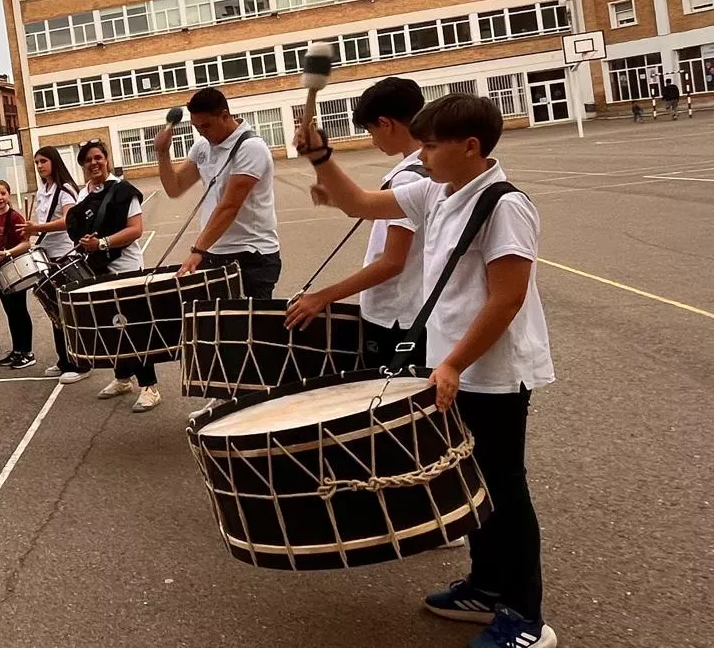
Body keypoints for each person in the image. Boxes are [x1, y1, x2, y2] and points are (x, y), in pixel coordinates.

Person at [298, 93, 555, 648]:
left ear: (470, 147)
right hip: (451, 367)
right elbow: (360, 203)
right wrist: (321, 157)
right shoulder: (437, 191)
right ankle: (485, 588)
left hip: (492, 372)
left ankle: (526, 618)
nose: (424, 153)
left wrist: (455, 363)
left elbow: (506, 299)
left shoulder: (504, 204)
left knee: (505, 491)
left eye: (433, 144)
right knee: (473, 484)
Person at [286, 77, 428, 368]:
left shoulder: (410, 175)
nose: (373, 140)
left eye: (371, 131)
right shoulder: (428, 166)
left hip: (398, 317)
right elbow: (372, 206)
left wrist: (322, 297)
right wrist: (335, 198)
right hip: (409, 311)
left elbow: (392, 262)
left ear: (385, 123)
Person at [155, 87, 280, 298]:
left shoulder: (251, 148)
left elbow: (229, 206)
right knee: (215, 327)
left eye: (206, 126)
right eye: (196, 127)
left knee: (247, 327)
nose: (202, 132)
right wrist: (162, 153)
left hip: (251, 255)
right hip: (214, 251)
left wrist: (197, 251)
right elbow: (175, 188)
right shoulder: (203, 145)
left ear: (224, 116)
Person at [59, 140, 155, 411]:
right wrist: (83, 241)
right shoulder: (83, 194)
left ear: (107, 159)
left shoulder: (124, 191)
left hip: (124, 267)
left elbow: (135, 229)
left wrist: (102, 243)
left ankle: (149, 387)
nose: (94, 163)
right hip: (97, 268)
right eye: (88, 160)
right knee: (112, 325)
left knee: (134, 327)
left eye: (98, 157)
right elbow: (77, 228)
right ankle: (123, 377)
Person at [21, 146, 88, 382]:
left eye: (43, 161)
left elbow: (68, 221)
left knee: (68, 313)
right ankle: (64, 359)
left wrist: (37, 228)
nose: (39, 166)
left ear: (54, 162)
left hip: (64, 256)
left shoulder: (65, 190)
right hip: (46, 256)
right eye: (36, 162)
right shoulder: (44, 190)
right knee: (54, 311)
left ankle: (80, 363)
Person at [0, 180, 35, 370]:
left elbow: (26, 244)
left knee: (19, 310)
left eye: (3, 193)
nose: (0, 198)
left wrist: (8, 253)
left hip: (15, 269)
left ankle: (27, 352)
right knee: (11, 312)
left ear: (8, 194)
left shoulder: (15, 217)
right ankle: (17, 350)